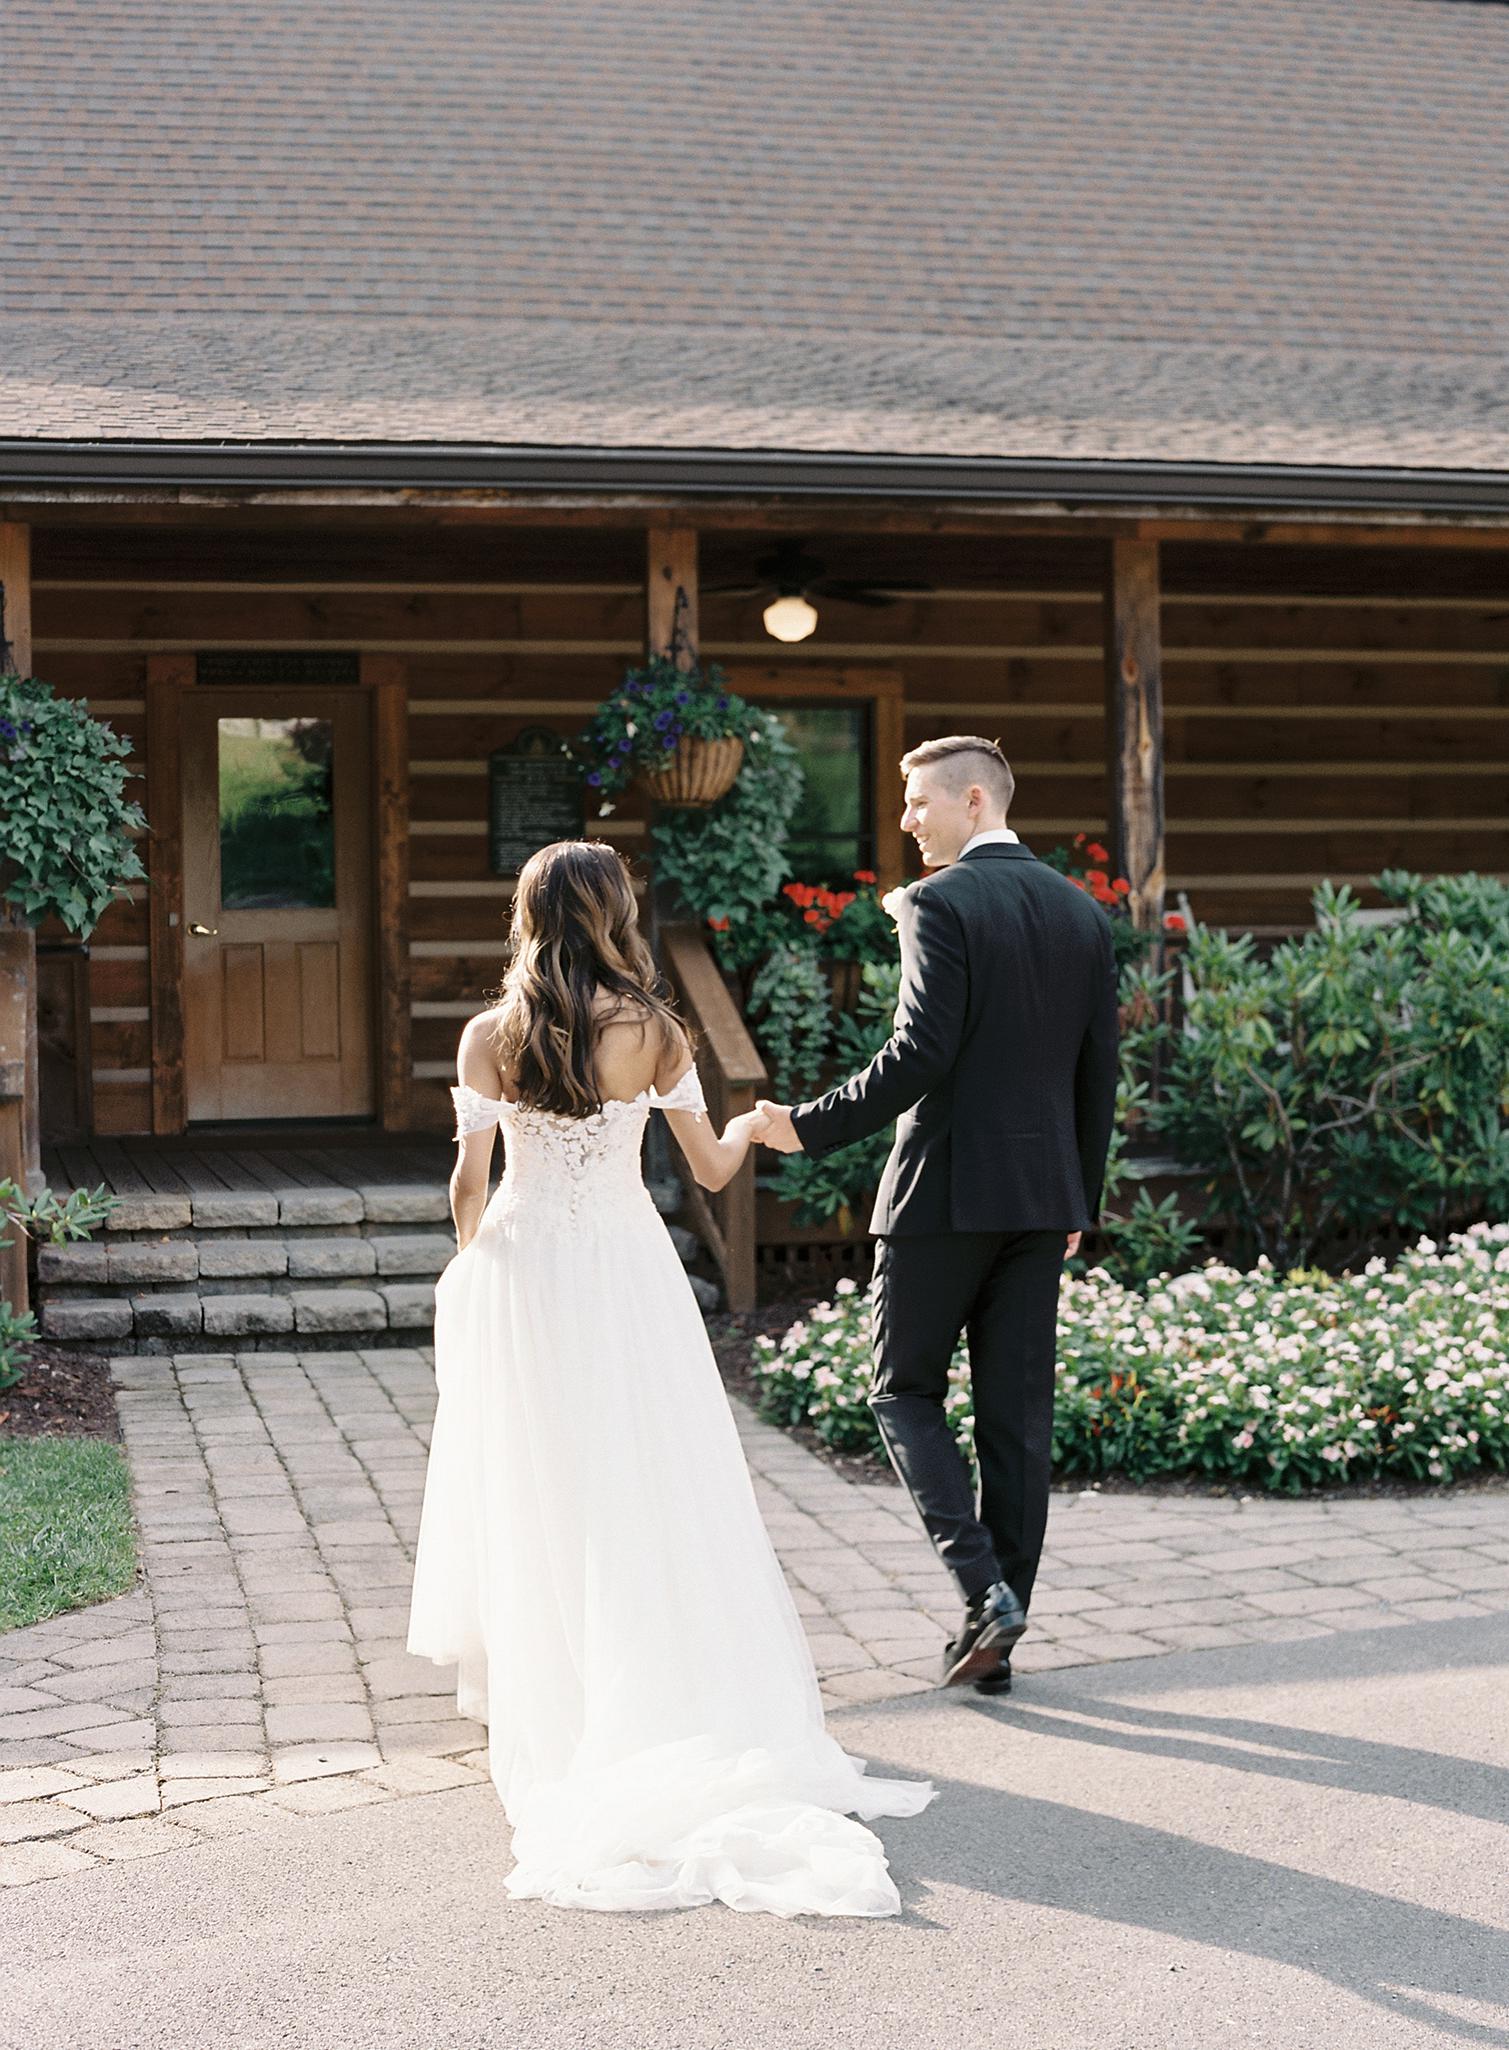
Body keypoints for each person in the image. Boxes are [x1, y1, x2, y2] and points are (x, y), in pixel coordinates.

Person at [405, 837, 936, 1918]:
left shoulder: (486, 1035)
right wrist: (744, 1122)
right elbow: (708, 1168)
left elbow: (469, 1183)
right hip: (625, 1268)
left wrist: (473, 1262)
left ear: (526, 913)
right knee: (643, 1476)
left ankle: (558, 1695)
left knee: (538, 1480)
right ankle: (655, 1689)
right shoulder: (654, 1028)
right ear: (612, 912)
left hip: (525, 1271)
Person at [756, 735, 1119, 1699]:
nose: (907, 821)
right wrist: (1079, 1191)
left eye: (918, 803)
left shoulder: (936, 902)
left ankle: (982, 1588)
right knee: (1015, 1418)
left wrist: (800, 1126)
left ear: (970, 801)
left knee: (901, 1391)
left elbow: (917, 1055)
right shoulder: (1082, 912)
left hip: (943, 1194)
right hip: (1043, 1199)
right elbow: (1098, 1071)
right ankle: (995, 1623)